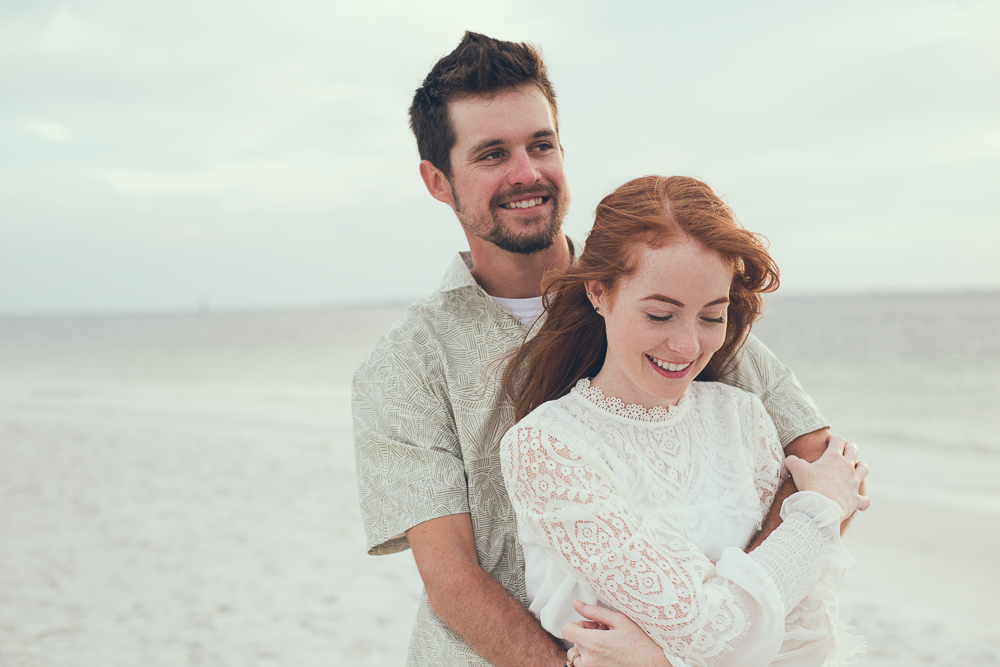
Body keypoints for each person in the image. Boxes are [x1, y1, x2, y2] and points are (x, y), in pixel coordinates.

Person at [353, 32, 850, 667]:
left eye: (541, 144)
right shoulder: (406, 364)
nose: (526, 173)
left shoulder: (658, 292)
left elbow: (815, 458)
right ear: (437, 180)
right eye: (490, 155)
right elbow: (452, 582)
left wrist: (703, 637)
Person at [500, 174, 869, 667]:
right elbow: (713, 633)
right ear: (598, 291)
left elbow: (805, 634)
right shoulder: (546, 447)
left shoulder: (742, 417)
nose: (687, 346)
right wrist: (819, 510)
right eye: (660, 315)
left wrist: (661, 661)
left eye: (711, 317)